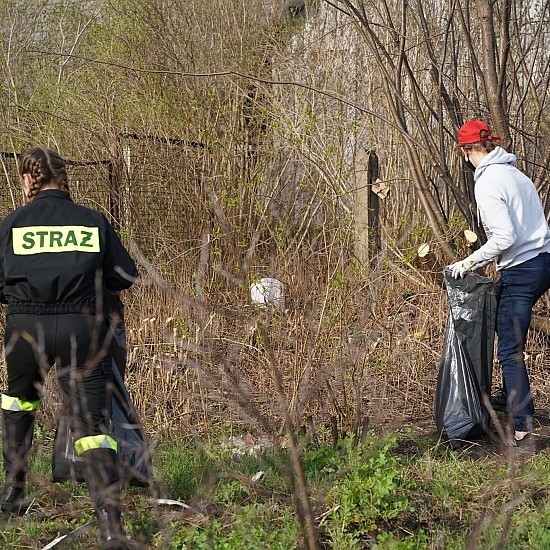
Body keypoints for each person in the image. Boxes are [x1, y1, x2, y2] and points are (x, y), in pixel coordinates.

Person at [0, 147, 138, 549]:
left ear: (29, 180)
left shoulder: (11, 225)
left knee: (19, 402)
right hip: (82, 328)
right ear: (64, 178)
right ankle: (110, 523)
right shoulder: (92, 222)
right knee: (93, 426)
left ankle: (13, 493)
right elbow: (125, 276)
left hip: (26, 328)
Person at [449, 119, 550, 445]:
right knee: (507, 330)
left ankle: (522, 428)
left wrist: (470, 260)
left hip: (522, 270)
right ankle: (510, 394)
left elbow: (505, 236)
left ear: (465, 151)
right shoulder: (515, 174)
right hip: (544, 261)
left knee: (509, 349)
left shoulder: (489, 182)